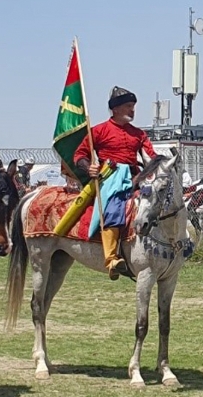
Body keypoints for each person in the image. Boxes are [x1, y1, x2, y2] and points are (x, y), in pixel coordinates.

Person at [73, 86, 157, 280]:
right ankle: (111, 259)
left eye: (134, 106)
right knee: (114, 207)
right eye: (129, 106)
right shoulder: (98, 131)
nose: (133, 110)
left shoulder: (139, 134)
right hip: (111, 180)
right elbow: (80, 155)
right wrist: (89, 168)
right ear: (116, 108)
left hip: (136, 178)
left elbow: (150, 156)